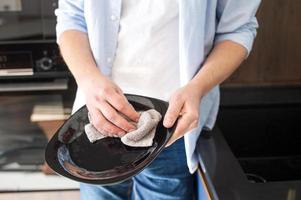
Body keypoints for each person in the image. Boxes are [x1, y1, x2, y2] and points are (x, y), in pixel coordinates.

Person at [55, 0, 261, 199]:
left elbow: (237, 29)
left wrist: (197, 88)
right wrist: (88, 79)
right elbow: (72, 17)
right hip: (96, 115)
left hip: (173, 127)